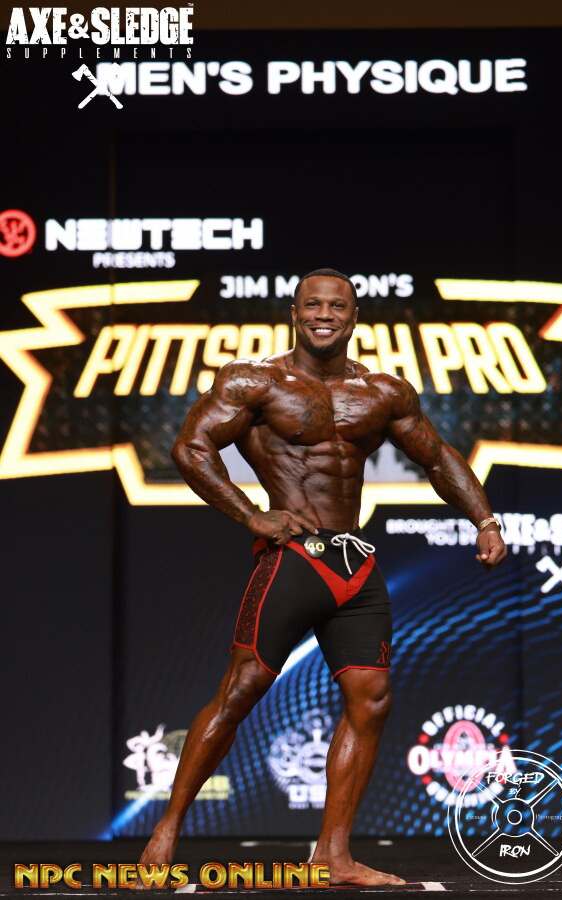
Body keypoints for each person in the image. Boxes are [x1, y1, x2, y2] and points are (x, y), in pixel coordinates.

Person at [137, 268, 506, 886]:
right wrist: (250, 514)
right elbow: (191, 448)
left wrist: (484, 520)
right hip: (293, 557)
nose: (324, 315)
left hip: (354, 563)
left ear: (354, 316)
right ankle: (166, 830)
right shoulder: (254, 381)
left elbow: (438, 457)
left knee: (372, 699)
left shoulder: (383, 392)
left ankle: (333, 856)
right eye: (313, 305)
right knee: (241, 689)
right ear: (294, 312)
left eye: (337, 306)